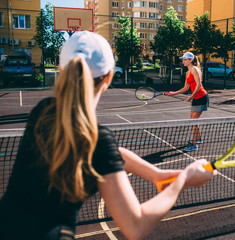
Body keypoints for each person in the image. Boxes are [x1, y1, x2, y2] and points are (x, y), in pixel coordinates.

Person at [0, 32, 216, 240]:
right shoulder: (97, 140)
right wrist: (183, 180)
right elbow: (136, 226)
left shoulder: (43, 112)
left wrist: (156, 174)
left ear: (60, 69)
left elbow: (103, 152)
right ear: (109, 76)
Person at [168, 52, 209, 152]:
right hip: (196, 97)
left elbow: (199, 84)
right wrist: (174, 93)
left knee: (194, 120)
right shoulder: (187, 73)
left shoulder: (195, 69)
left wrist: (191, 96)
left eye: (185, 59)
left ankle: (194, 144)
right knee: (194, 119)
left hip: (202, 97)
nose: (183, 61)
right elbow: (186, 87)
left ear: (191, 60)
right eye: (183, 59)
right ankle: (198, 138)